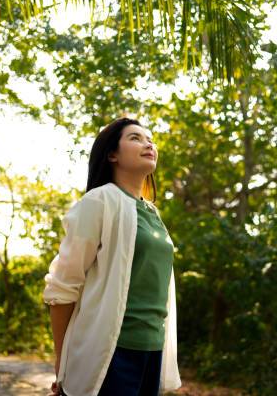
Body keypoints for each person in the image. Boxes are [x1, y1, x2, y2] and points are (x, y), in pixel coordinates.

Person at [42, 117, 182, 396]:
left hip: (152, 351)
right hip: (110, 355)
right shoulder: (98, 202)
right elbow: (62, 287)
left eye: (150, 139)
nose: (148, 143)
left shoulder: (152, 214)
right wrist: (63, 362)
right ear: (112, 154)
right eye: (135, 138)